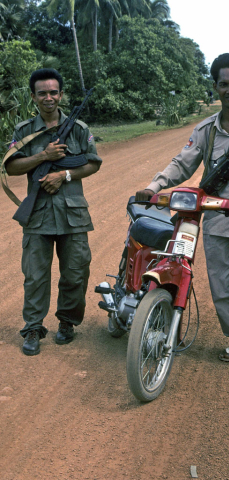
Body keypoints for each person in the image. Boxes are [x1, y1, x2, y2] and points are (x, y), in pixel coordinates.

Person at [136, 53, 229, 378]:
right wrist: (153, 186)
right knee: (222, 286)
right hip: (214, 217)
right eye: (223, 84)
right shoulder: (206, 130)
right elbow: (182, 163)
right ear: (215, 87)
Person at [6, 68, 102, 356]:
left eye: (53, 92)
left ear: (61, 94)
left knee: (75, 272)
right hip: (37, 214)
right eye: (42, 93)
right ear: (34, 97)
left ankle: (67, 323)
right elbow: (10, 166)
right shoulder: (24, 131)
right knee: (35, 275)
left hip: (73, 214)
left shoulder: (79, 129)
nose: (48, 97)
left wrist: (65, 175)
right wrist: (43, 157)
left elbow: (94, 162)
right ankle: (33, 328)